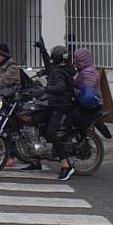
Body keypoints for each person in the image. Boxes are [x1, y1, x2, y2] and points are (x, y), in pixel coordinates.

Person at [37, 45, 77, 180]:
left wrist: (44, 89)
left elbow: (59, 87)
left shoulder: (60, 72)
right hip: (54, 104)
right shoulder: (62, 69)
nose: (51, 60)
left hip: (62, 107)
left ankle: (66, 166)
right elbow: (49, 67)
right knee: (38, 122)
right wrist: (43, 50)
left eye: (52, 57)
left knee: (51, 133)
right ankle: (34, 160)